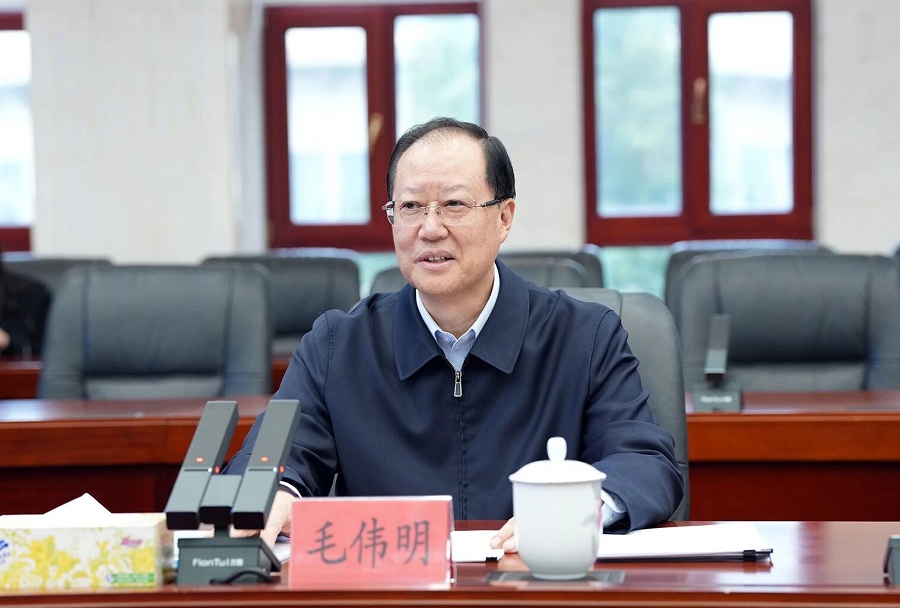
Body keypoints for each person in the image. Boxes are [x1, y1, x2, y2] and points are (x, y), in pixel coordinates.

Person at [224, 117, 684, 551]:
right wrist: (273, 493)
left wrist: (582, 510)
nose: (429, 229)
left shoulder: (585, 337)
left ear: (504, 217)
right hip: (392, 591)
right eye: (410, 207)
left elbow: (644, 465)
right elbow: (268, 460)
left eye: (454, 205)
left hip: (536, 582)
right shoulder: (338, 347)